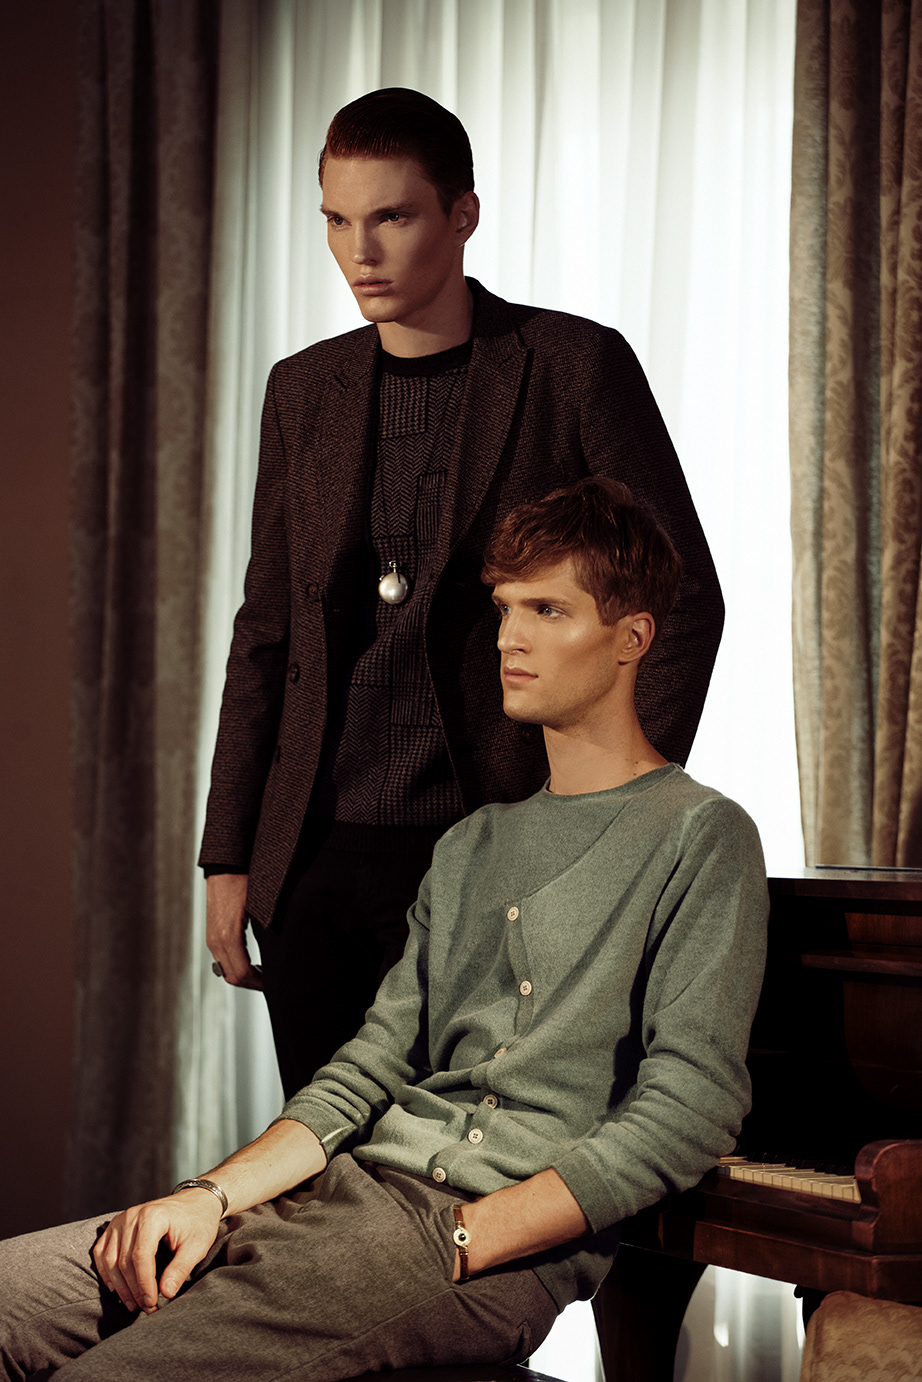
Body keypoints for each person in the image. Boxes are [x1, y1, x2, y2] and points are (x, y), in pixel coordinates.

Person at [0, 478, 767, 1382]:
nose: (509, 638)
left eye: (548, 610)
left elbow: (692, 1105)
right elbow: (365, 1070)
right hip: (338, 1201)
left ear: (632, 637)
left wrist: (470, 1237)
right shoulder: (473, 844)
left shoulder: (700, 834)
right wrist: (207, 1197)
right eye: (505, 608)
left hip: (468, 1247)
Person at [199, 87, 726, 1098]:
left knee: (473, 1165)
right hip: (311, 861)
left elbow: (683, 601)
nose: (361, 251)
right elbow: (267, 631)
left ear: (463, 214)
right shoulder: (303, 389)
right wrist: (229, 857)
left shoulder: (572, 367)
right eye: (337, 220)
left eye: (392, 217)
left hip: (499, 842)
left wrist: (604, 819)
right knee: (328, 1165)